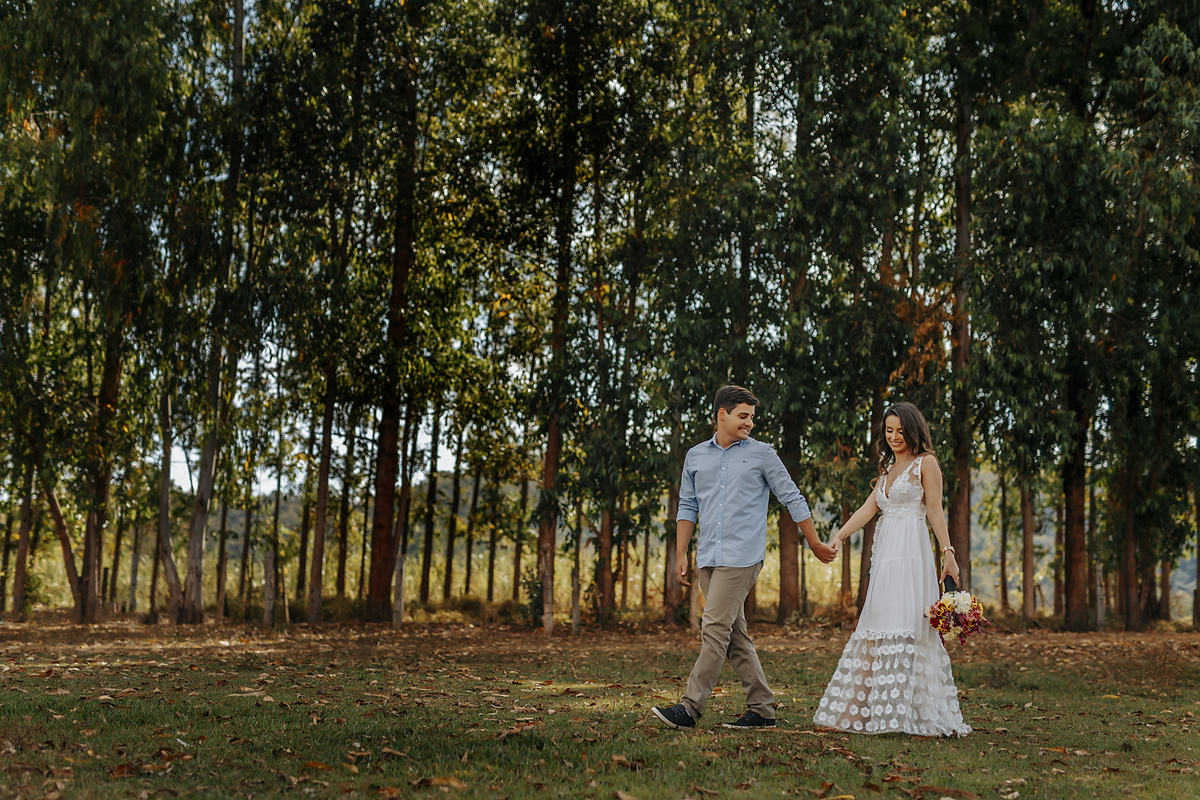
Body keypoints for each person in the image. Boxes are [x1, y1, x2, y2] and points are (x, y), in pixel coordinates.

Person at [652, 385, 838, 731]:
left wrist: (813, 542)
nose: (749, 423)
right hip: (708, 555)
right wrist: (680, 552)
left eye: (752, 417)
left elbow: (792, 498)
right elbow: (688, 506)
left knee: (714, 629)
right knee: (735, 635)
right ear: (721, 415)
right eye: (743, 416)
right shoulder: (695, 456)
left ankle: (689, 709)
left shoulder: (762, 454)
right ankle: (762, 709)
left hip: (742, 557)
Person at [813, 401, 970, 736]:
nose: (895, 436)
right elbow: (868, 508)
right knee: (875, 623)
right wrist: (839, 536)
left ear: (913, 430)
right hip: (885, 559)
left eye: (900, 430)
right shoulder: (886, 470)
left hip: (912, 555)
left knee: (909, 625)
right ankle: (855, 713)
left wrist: (948, 552)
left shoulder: (926, 464)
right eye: (889, 430)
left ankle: (914, 715)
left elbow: (935, 510)